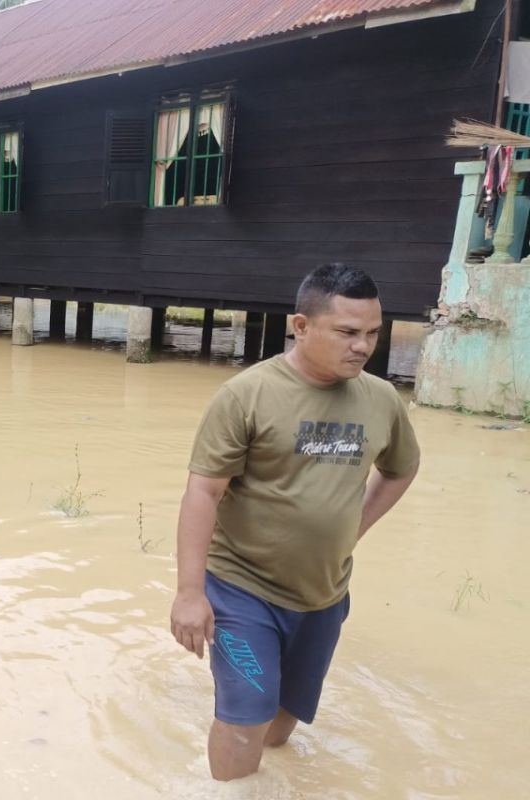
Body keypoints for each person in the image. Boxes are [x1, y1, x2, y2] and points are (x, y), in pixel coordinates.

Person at [170, 263, 421, 781]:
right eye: (348, 332)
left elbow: (401, 469)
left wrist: (356, 528)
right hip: (243, 588)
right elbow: (203, 491)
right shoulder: (247, 395)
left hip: (323, 595)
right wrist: (190, 593)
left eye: (373, 333)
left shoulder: (380, 399)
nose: (363, 346)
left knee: (282, 725)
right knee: (248, 718)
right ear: (301, 326)